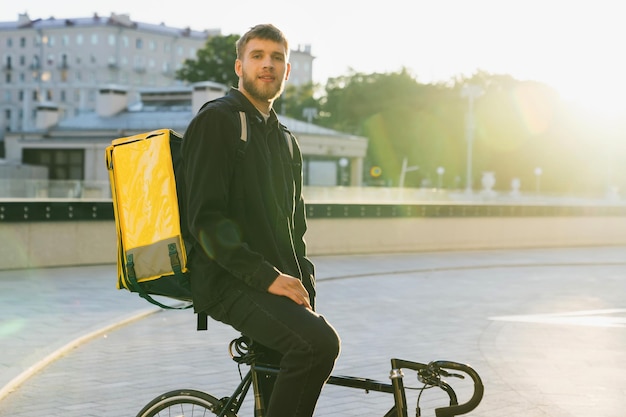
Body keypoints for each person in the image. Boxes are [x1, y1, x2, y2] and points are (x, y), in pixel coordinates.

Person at [181, 24, 341, 417]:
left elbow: (294, 229)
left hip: (274, 285)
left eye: (277, 58)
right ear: (240, 66)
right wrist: (268, 277)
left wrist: (304, 284)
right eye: (257, 56)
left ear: (288, 71)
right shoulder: (218, 121)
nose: (267, 65)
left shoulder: (286, 140)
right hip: (227, 280)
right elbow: (204, 219)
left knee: (278, 394)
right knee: (317, 345)